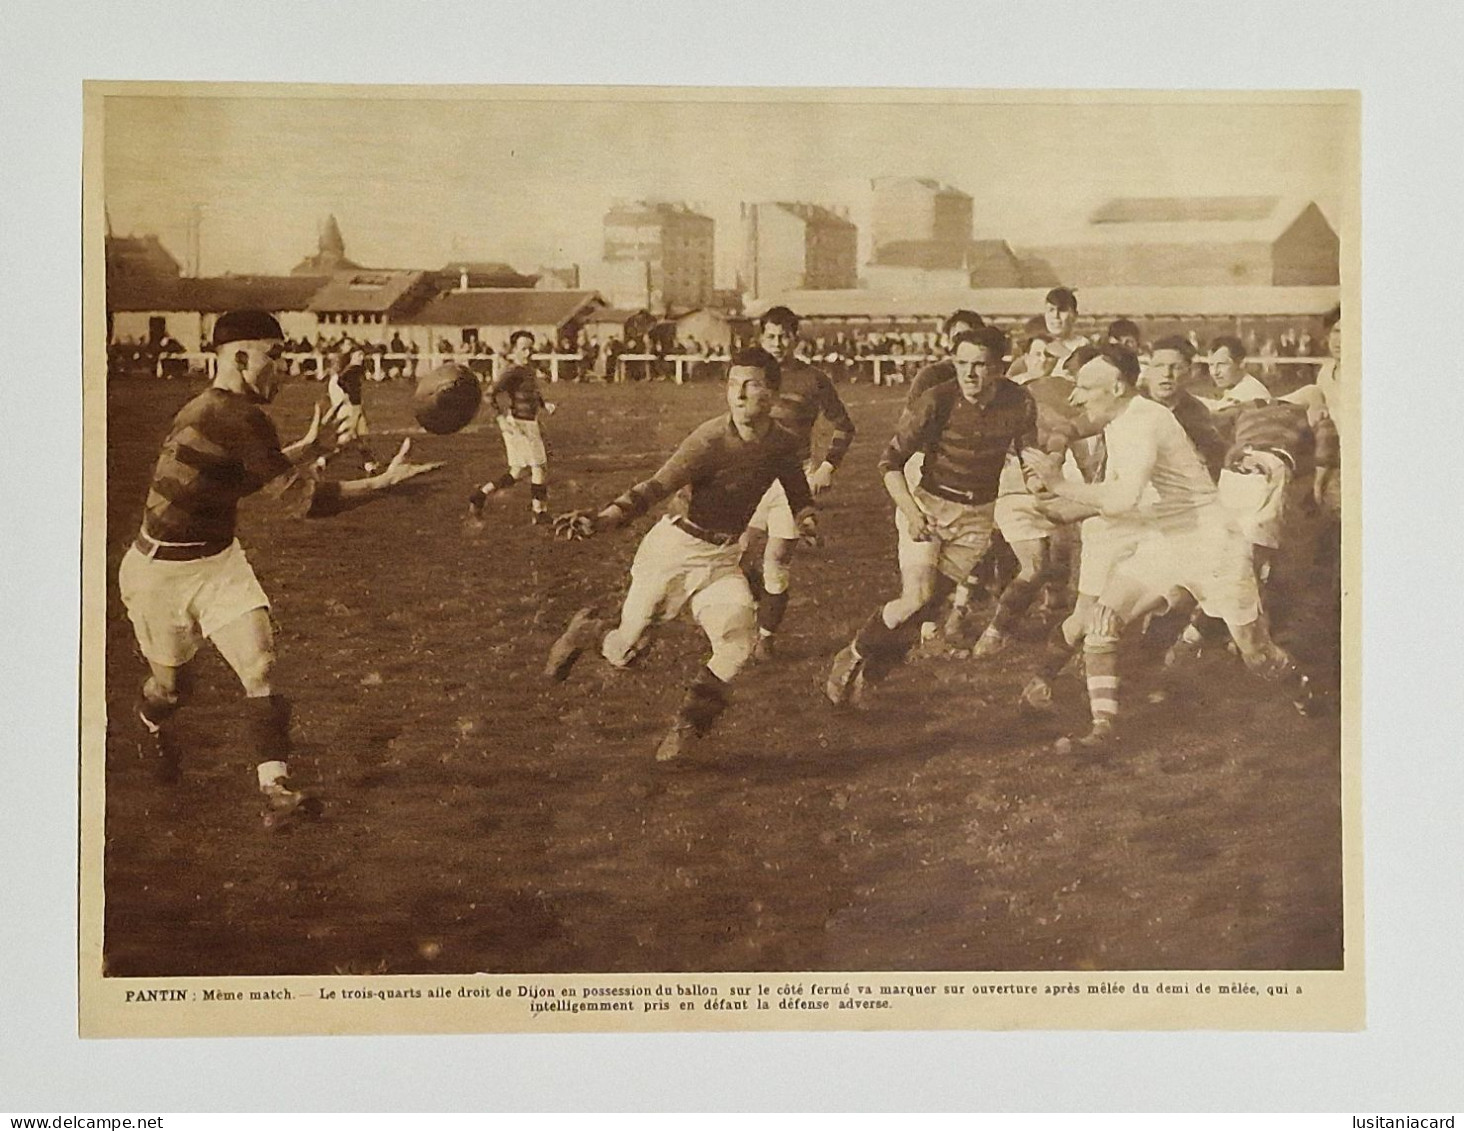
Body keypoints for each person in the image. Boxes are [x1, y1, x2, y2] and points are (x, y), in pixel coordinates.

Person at [118, 311, 441, 826]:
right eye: (275, 356)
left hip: (218, 563)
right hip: (160, 575)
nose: (283, 370)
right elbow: (305, 502)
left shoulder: (224, 409)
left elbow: (233, 479)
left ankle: (275, 790)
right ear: (241, 358)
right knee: (170, 691)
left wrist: (308, 449)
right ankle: (151, 724)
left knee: (261, 668)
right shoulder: (233, 415)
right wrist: (382, 484)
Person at [545, 348, 816, 762]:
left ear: (773, 393)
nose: (740, 394)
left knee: (738, 641)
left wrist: (808, 519)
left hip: (722, 559)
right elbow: (655, 487)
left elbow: (798, 493)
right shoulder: (709, 439)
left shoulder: (782, 444)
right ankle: (587, 633)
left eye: (752, 384)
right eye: (732, 384)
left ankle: (688, 726)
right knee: (625, 653)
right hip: (675, 550)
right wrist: (602, 520)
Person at [1021, 347, 1295, 753]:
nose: (1076, 396)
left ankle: (1305, 689)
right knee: (1103, 618)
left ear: (1116, 387)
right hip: (1166, 539)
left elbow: (1122, 499)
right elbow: (1084, 430)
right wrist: (1058, 470)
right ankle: (1103, 731)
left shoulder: (1143, 423)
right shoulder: (1121, 413)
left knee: (1256, 654)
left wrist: (1058, 484)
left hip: (1210, 541)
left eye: (1084, 387)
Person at [825, 326, 1037, 706]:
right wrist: (911, 512)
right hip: (929, 506)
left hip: (976, 516)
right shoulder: (938, 400)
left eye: (980, 365)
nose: (969, 374)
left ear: (999, 367)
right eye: (961, 364)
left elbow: (1028, 451)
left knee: (931, 604)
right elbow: (889, 463)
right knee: (916, 597)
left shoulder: (1019, 401)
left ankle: (874, 672)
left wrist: (1039, 477)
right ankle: (852, 654)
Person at [741, 306, 855, 660]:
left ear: (795, 338)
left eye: (784, 337)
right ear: (761, 338)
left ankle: (765, 637)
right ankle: (765, 603)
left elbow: (844, 426)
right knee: (737, 557)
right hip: (748, 476)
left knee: (776, 558)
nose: (778, 344)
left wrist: (827, 469)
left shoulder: (814, 379)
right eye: (771, 337)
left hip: (791, 478)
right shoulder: (748, 375)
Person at [466, 330, 558, 525]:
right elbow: (489, 394)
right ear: (514, 349)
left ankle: (480, 495)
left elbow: (532, 392)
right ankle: (539, 513)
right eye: (523, 349)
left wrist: (544, 404)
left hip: (527, 422)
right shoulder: (512, 371)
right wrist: (500, 418)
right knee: (539, 467)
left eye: (530, 348)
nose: (528, 353)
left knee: (517, 472)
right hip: (520, 424)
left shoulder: (528, 369)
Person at [1139, 336, 1229, 479]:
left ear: (1189, 372)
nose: (1166, 374)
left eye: (1176, 367)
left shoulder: (1196, 413)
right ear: (1148, 370)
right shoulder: (1132, 405)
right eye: (1159, 366)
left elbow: (1214, 459)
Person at [317, 348, 380, 475]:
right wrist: (346, 395)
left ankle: (369, 464)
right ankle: (323, 460)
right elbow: (341, 380)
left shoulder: (355, 369)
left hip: (356, 408)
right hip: (351, 409)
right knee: (345, 442)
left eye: (362, 355)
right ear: (352, 357)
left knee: (361, 439)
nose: (361, 358)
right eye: (358, 355)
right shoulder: (352, 369)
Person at [905, 309, 985, 404]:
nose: (963, 345)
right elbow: (913, 415)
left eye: (970, 339)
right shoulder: (930, 377)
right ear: (948, 342)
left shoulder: (993, 374)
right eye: (957, 339)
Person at [1195, 335, 1272, 408]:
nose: (1215, 372)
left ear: (1241, 364)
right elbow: (1216, 405)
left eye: (1222, 364)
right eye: (1211, 365)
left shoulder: (1250, 394)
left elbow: (1217, 413)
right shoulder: (1241, 387)